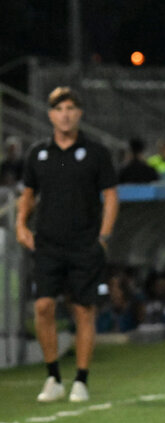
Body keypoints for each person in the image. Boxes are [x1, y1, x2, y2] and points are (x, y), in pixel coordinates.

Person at [16, 86, 119, 403]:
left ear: (80, 114)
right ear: (50, 115)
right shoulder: (38, 153)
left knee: (82, 310)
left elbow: (111, 196)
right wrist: (21, 224)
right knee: (43, 307)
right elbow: (28, 195)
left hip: (84, 244)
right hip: (47, 244)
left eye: (72, 108)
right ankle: (53, 377)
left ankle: (81, 380)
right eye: (60, 109)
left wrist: (103, 236)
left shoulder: (96, 152)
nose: (66, 114)